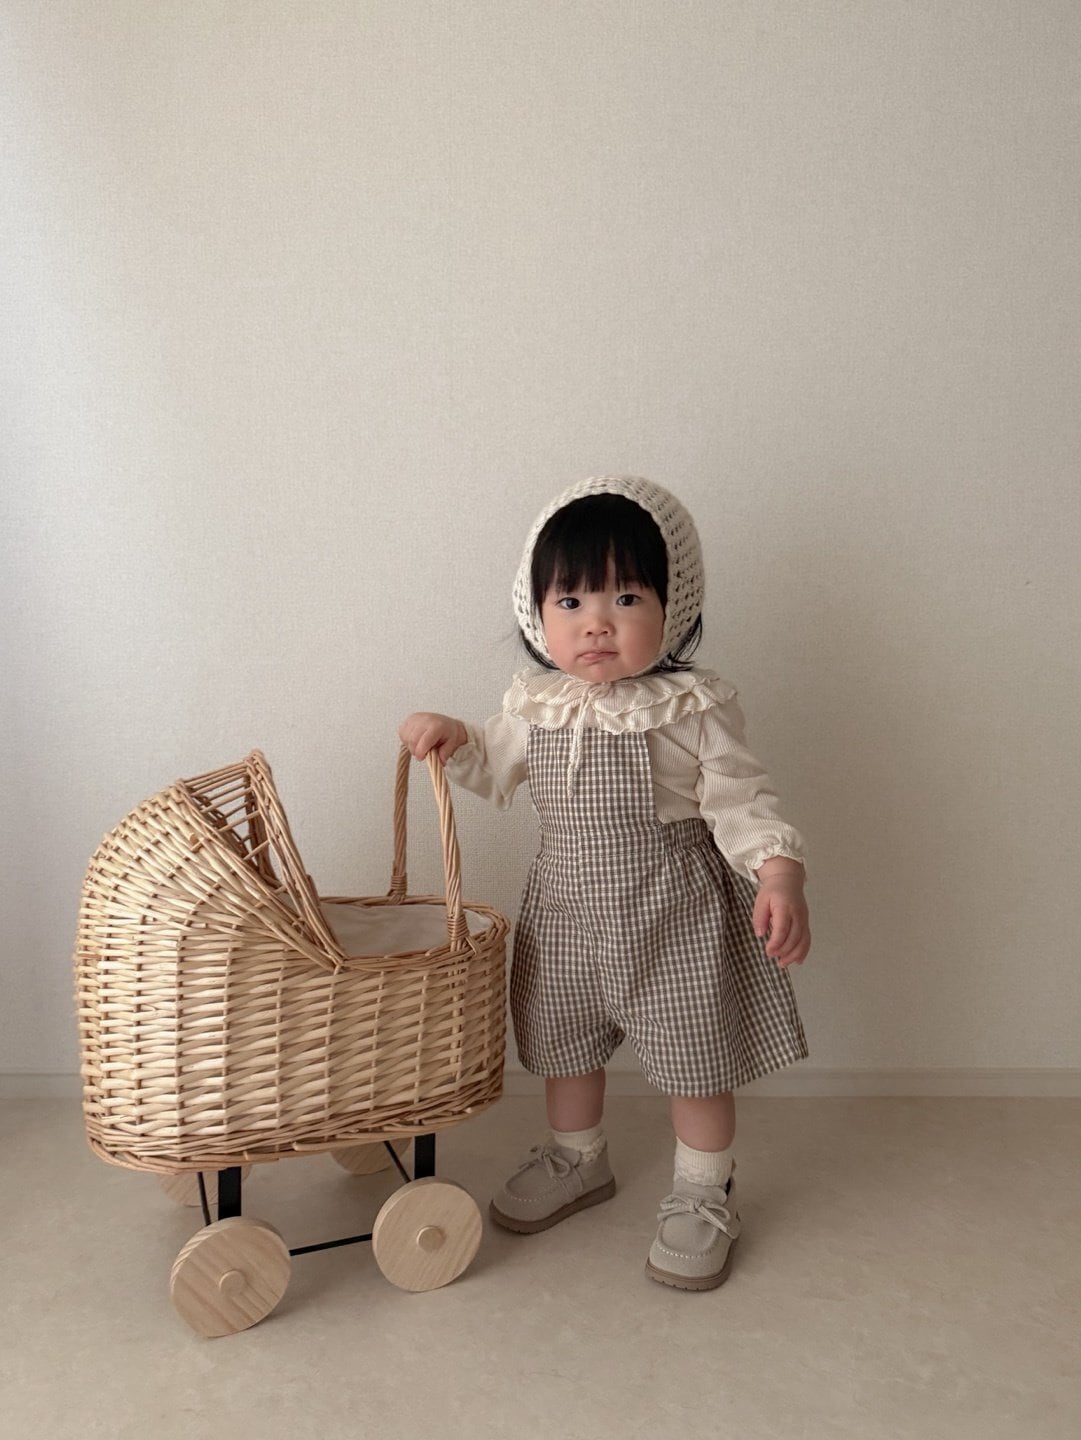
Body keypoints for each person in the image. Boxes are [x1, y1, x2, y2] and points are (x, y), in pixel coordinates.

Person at [399, 475, 810, 1291]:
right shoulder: (537, 706)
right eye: (570, 600)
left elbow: (740, 800)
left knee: (694, 1055)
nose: (596, 622)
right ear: (537, 615)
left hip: (674, 912)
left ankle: (705, 1186)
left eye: (625, 597)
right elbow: (492, 762)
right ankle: (577, 1156)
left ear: (672, 605)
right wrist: (453, 736)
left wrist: (777, 870)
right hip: (564, 911)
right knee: (564, 1040)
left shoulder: (687, 708)